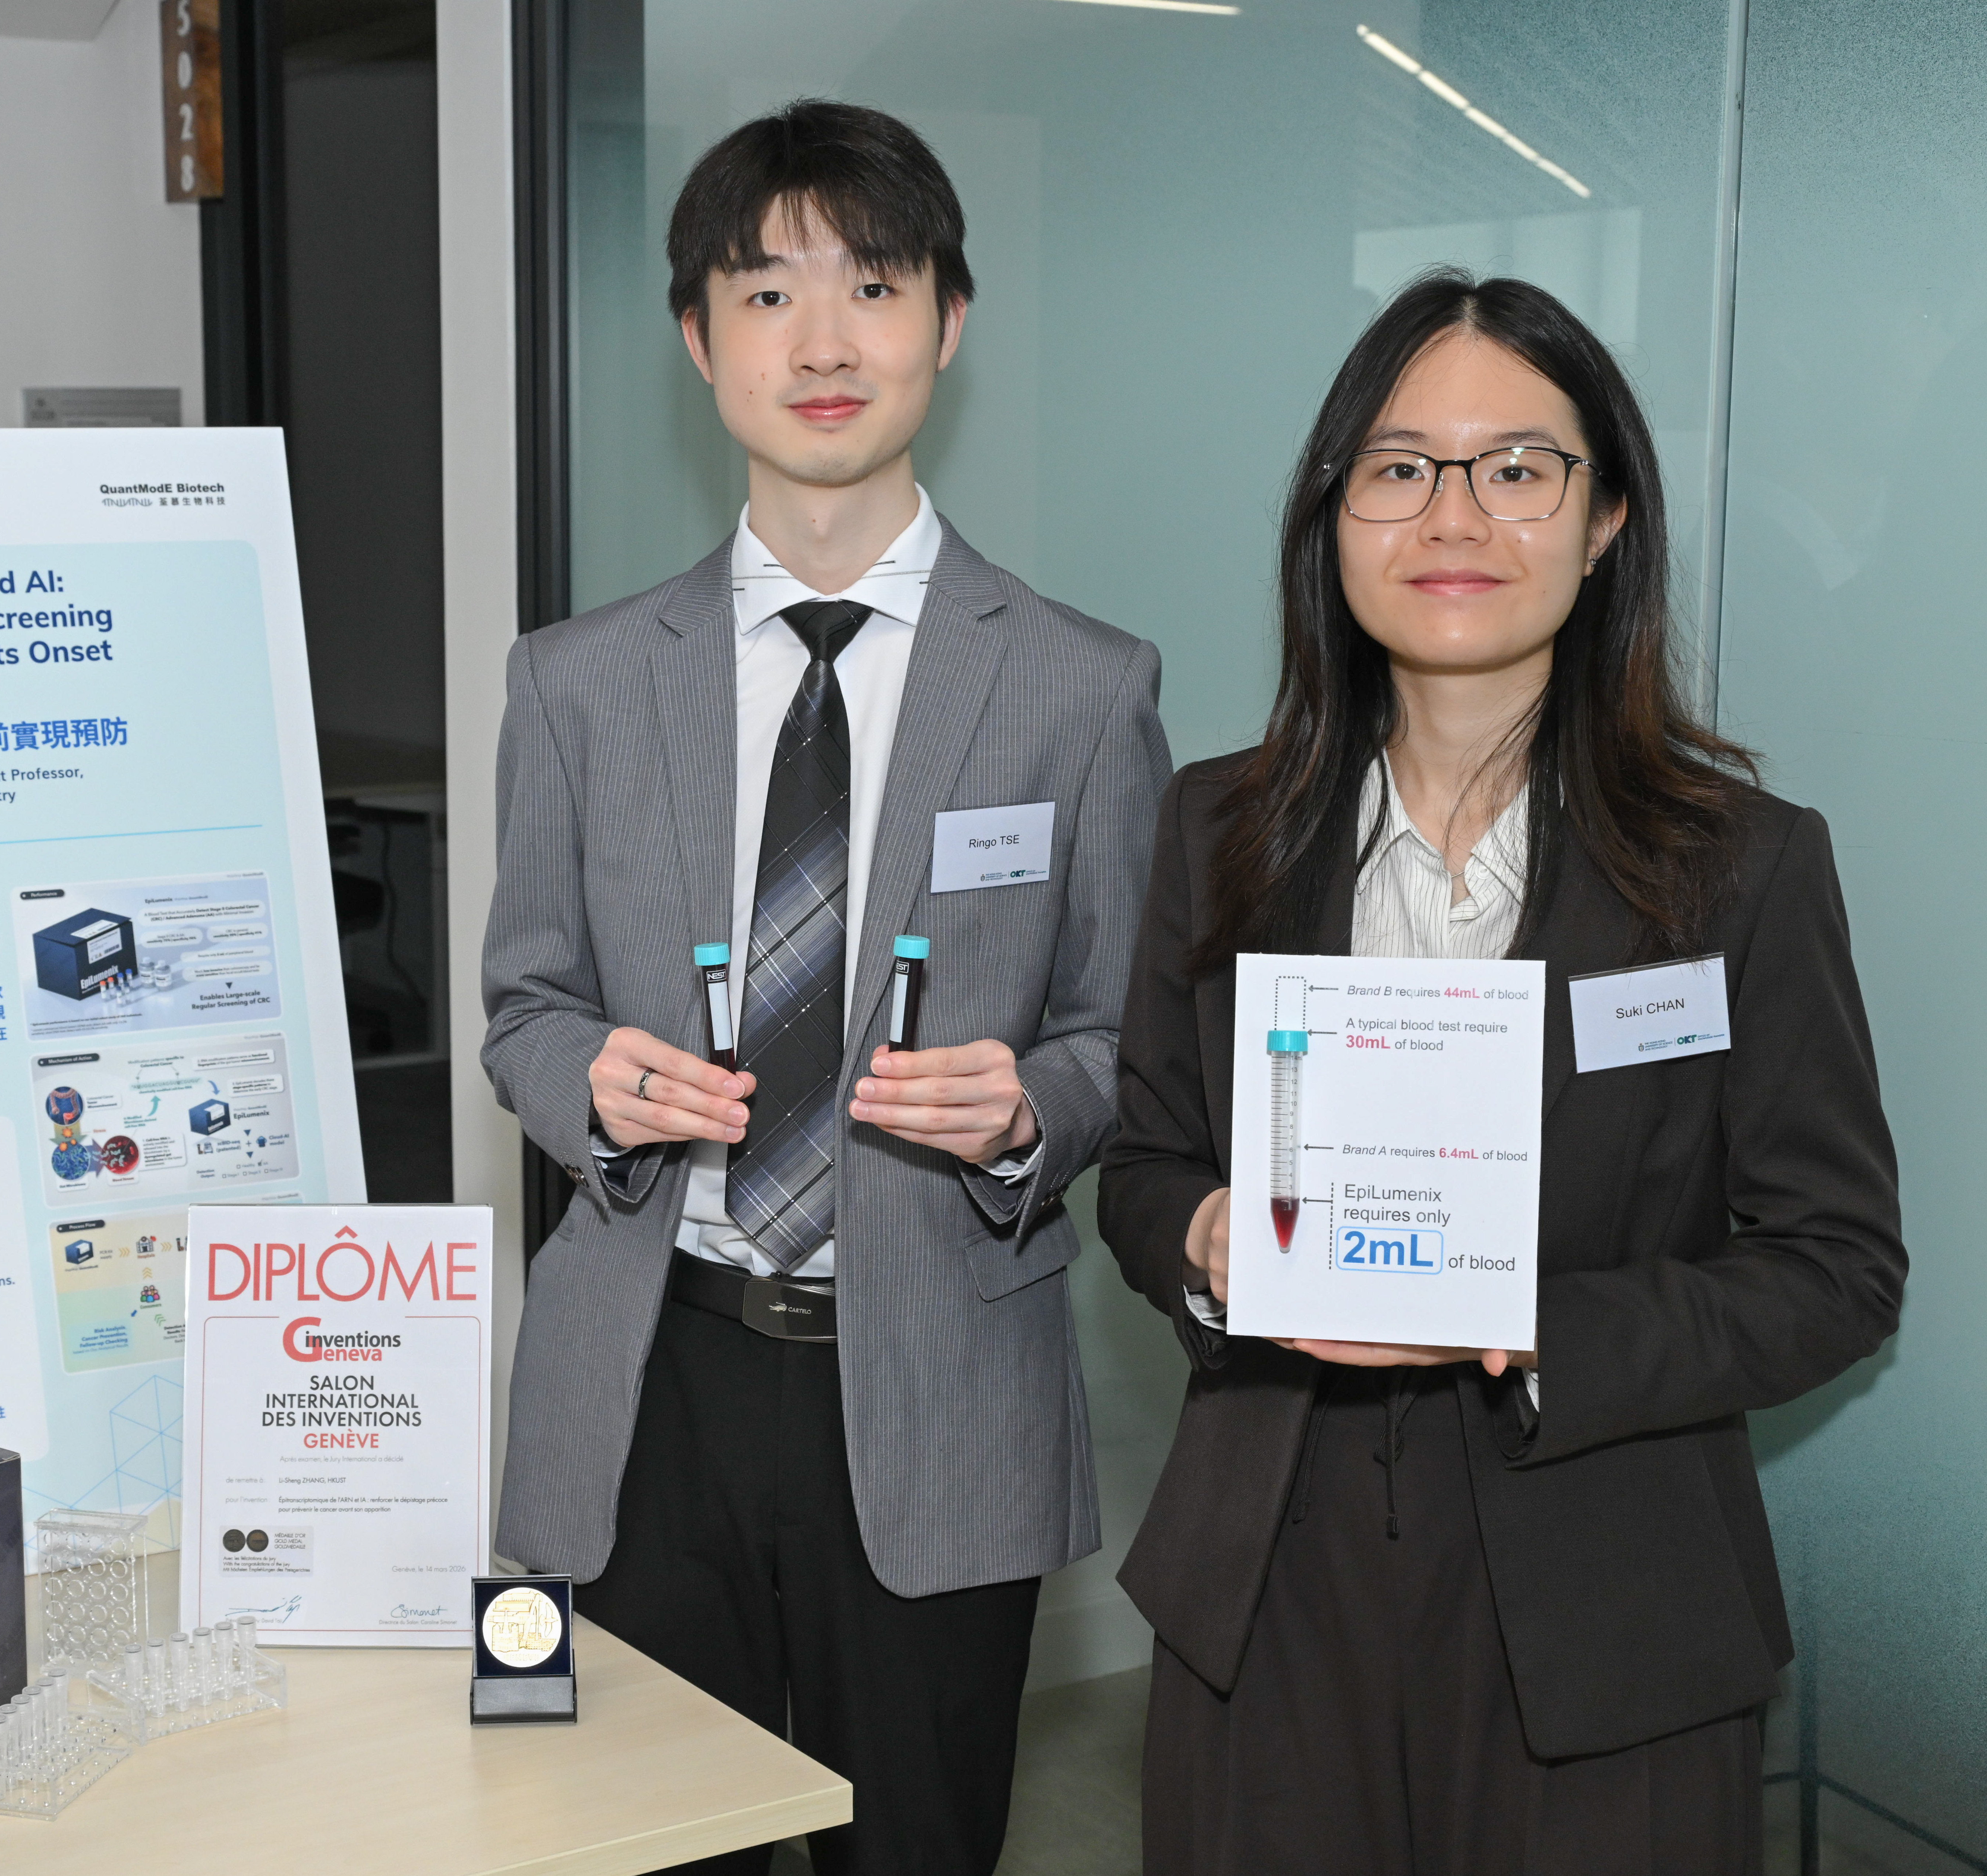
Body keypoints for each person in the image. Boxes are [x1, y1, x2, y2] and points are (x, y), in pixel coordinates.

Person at [1098, 270, 1907, 1872]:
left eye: (1517, 467)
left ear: (1604, 516)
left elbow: (1836, 1267)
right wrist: (1202, 1240)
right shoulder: (1218, 829)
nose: (1452, 516)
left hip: (1609, 1603)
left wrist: (1534, 1325)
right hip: (1269, 1577)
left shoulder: (1739, 866)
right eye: (1398, 468)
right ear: (1333, 517)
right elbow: (1142, 1163)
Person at [482, 101, 1170, 1876]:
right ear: (698, 341)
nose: (824, 341)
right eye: (766, 292)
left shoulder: (1084, 688)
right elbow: (522, 1005)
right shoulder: (572, 685)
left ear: (949, 320)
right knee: (637, 1846)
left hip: (941, 1382)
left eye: (873, 284)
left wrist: (1031, 1107)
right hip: (648, 1384)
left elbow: (1120, 1040)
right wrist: (592, 1088)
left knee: (918, 1850)